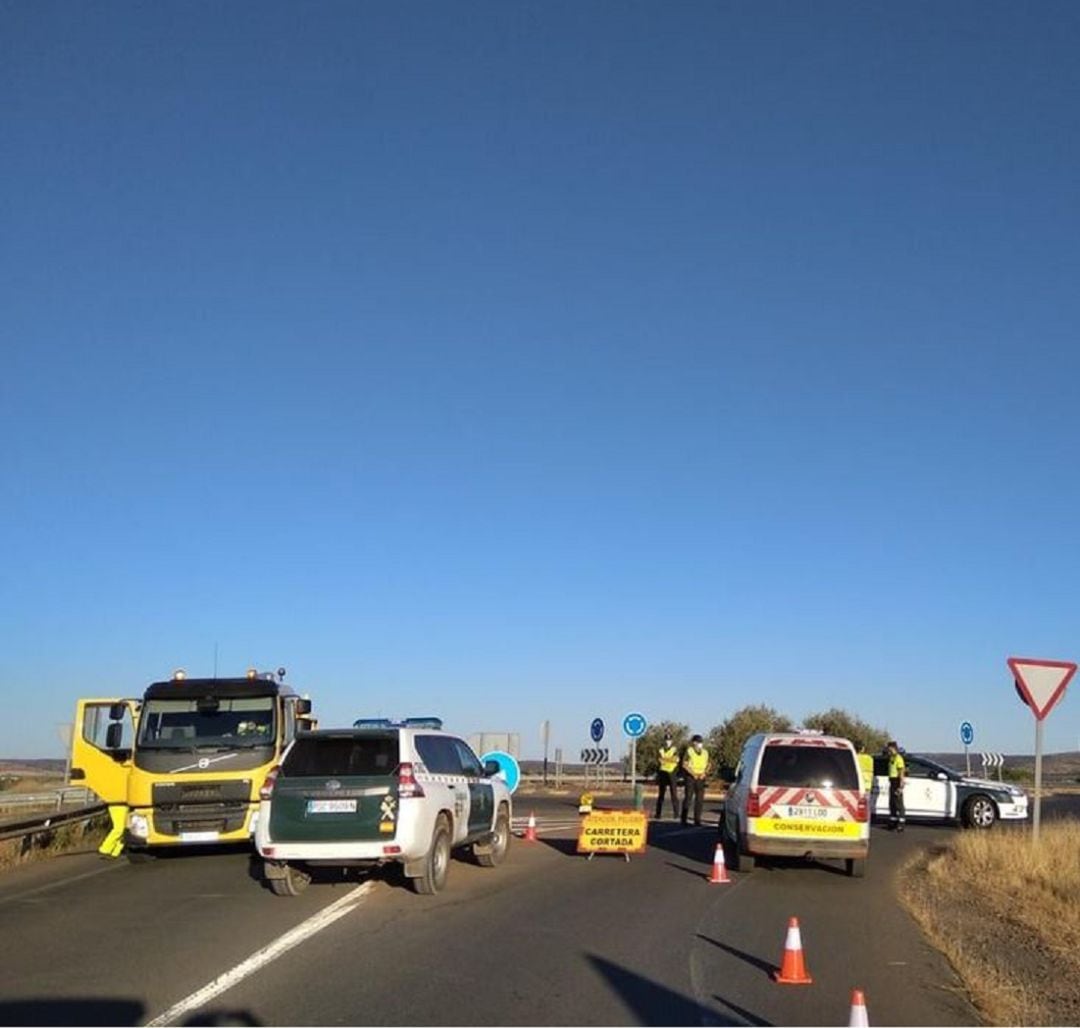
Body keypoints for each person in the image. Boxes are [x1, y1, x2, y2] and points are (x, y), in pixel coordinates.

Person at [681, 734, 710, 827]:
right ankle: (684, 819)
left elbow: (709, 764)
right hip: (691, 777)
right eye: (698, 742)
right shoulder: (689, 751)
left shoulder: (705, 752)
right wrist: (693, 774)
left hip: (701, 778)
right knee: (688, 798)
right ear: (694, 743)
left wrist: (704, 773)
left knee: (699, 800)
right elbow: (684, 764)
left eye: (701, 742)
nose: (699, 744)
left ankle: (697, 820)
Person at [654, 735, 680, 819]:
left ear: (671, 741)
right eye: (666, 740)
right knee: (661, 795)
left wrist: (665, 759)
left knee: (674, 794)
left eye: (669, 740)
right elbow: (660, 760)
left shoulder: (674, 749)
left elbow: (676, 759)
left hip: (672, 773)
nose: (667, 741)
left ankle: (676, 814)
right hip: (663, 773)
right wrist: (669, 759)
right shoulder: (661, 750)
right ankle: (658, 814)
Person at [886, 740, 906, 831]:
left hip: (897, 781)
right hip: (892, 781)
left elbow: (901, 772)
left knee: (899, 803)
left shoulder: (898, 758)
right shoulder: (891, 758)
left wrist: (901, 786)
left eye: (889, 748)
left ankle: (901, 823)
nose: (888, 750)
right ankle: (893, 822)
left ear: (893, 748)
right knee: (892, 803)